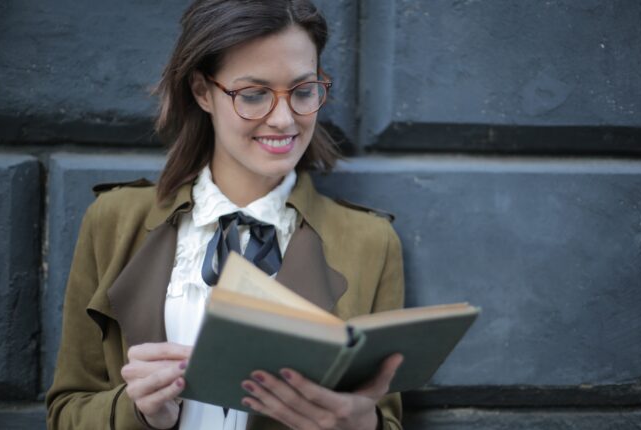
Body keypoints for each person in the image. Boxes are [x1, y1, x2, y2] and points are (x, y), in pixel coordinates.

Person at [45, 0, 405, 429]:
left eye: (304, 91)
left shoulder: (369, 240)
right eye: (254, 95)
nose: (285, 119)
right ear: (202, 92)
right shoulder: (113, 221)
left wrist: (361, 425)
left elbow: (385, 418)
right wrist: (138, 411)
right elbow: (66, 413)